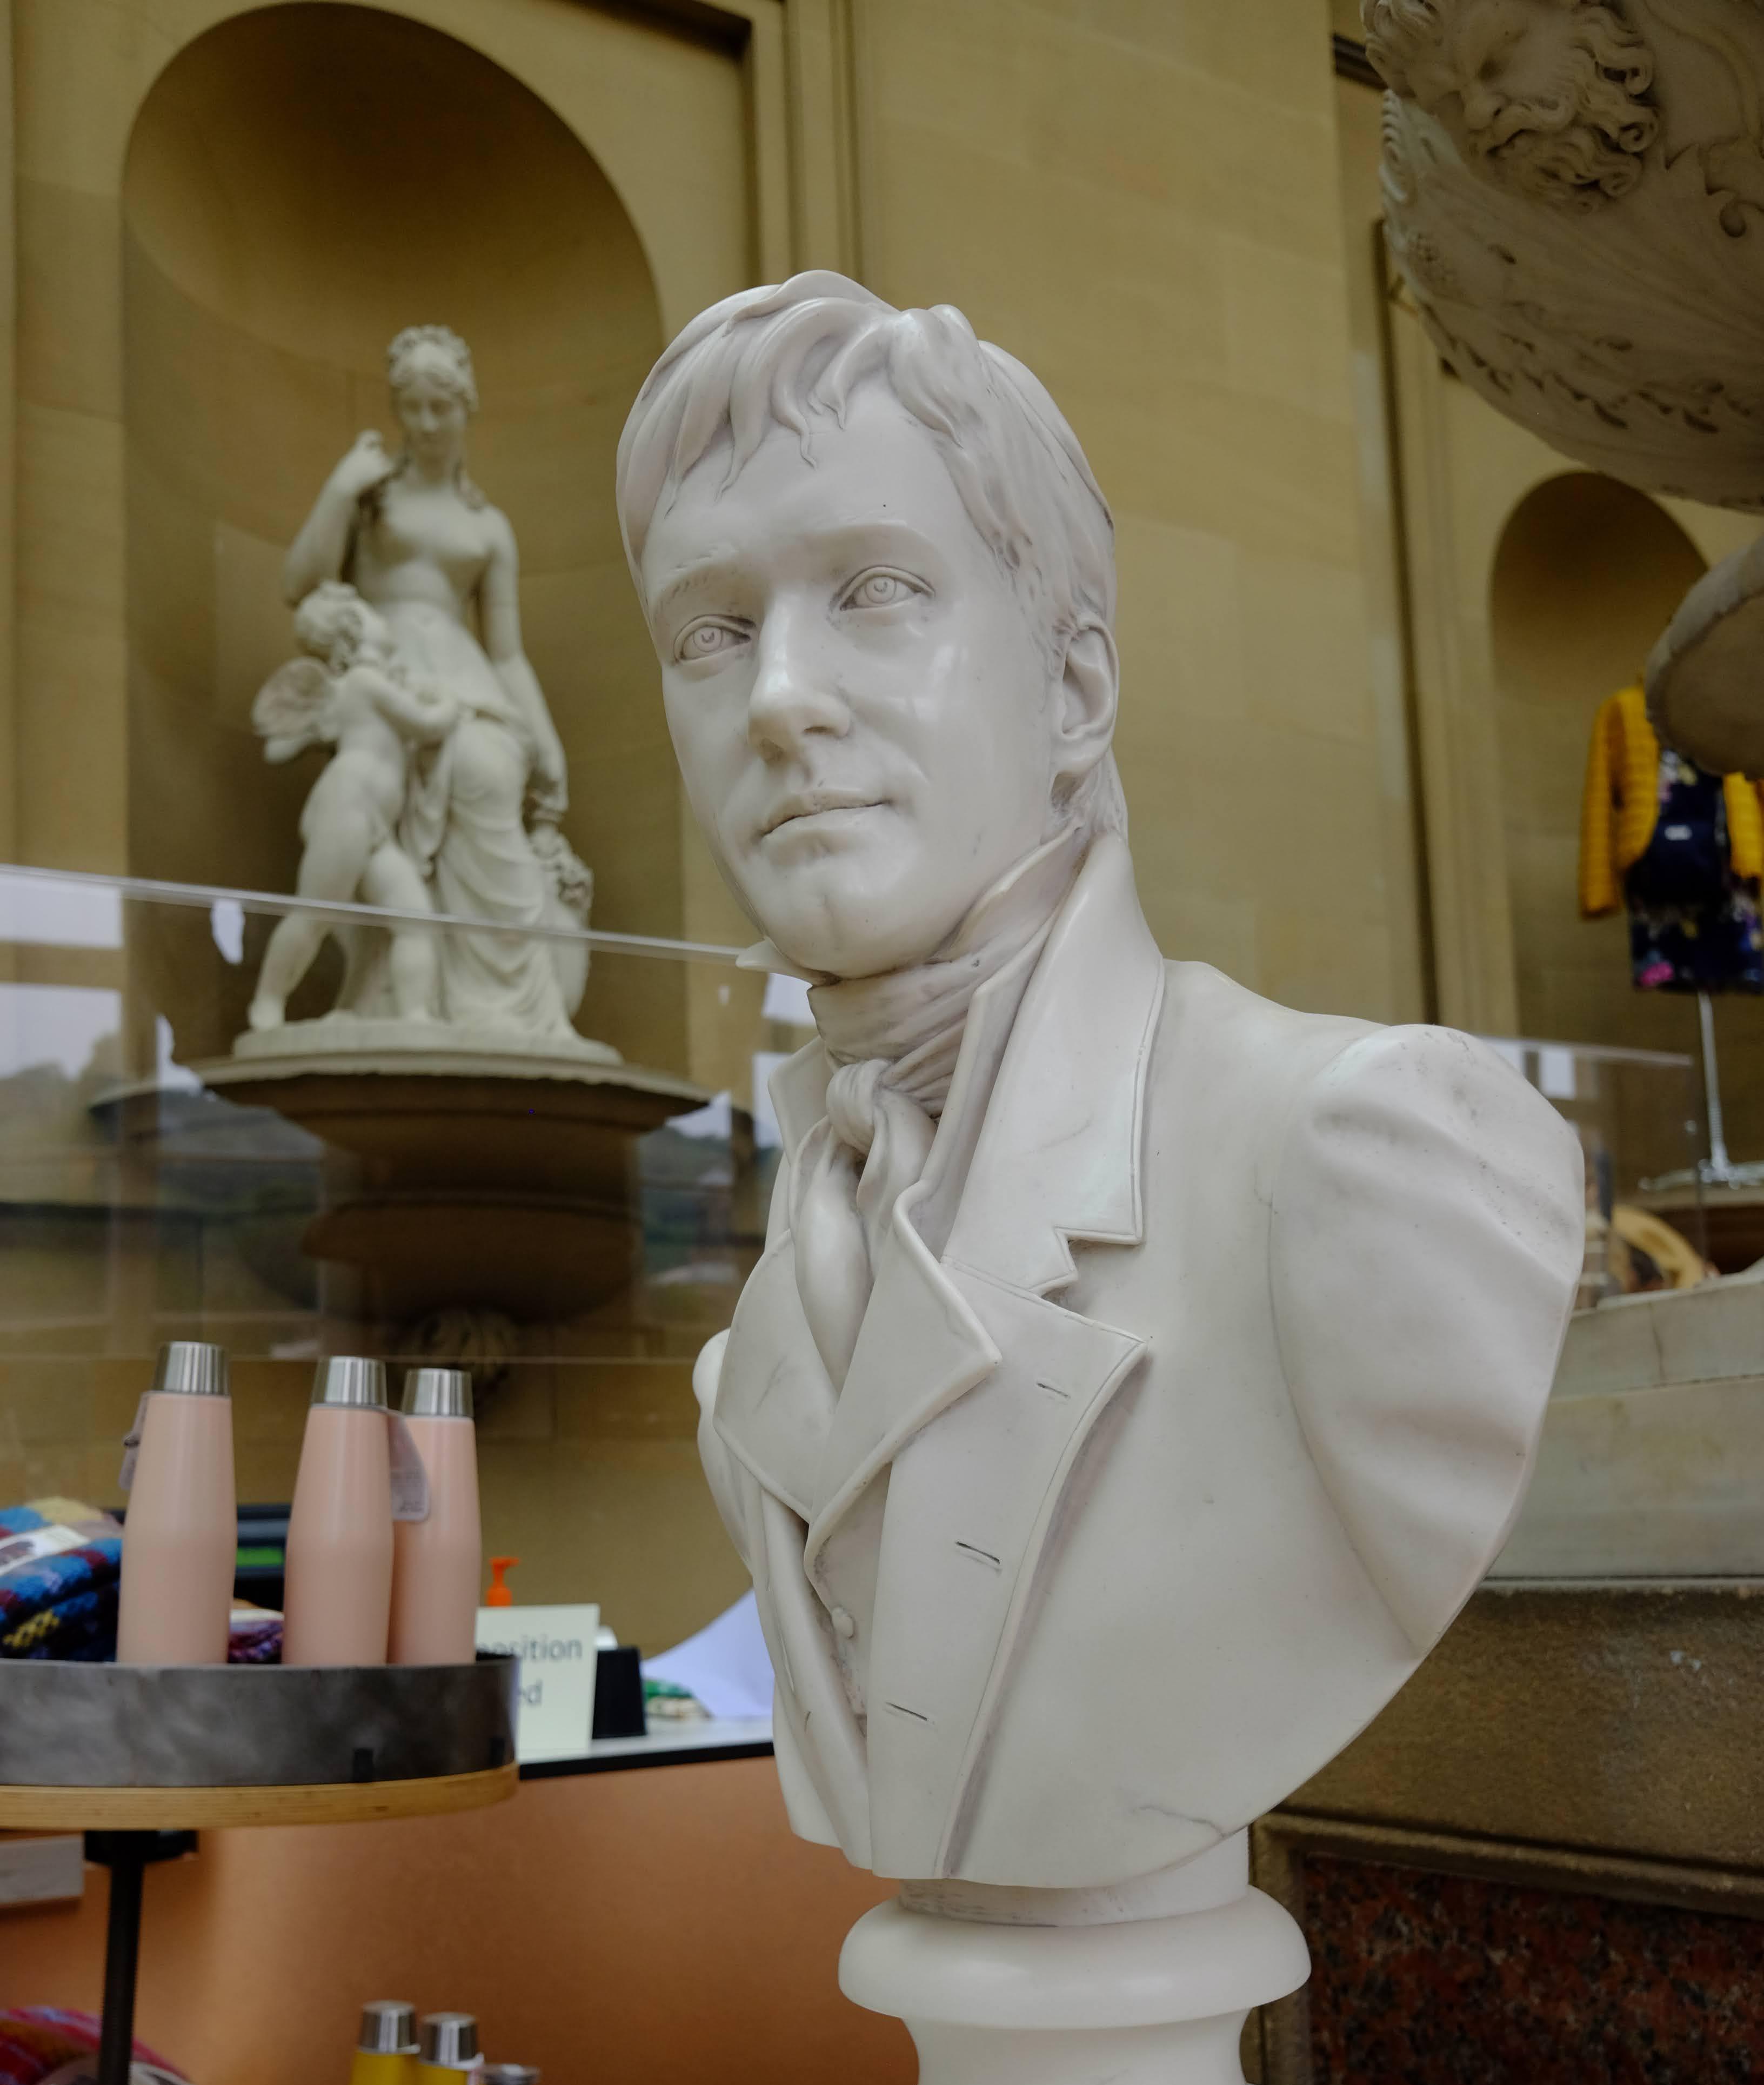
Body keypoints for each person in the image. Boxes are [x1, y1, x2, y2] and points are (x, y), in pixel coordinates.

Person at [616, 273, 1584, 1892]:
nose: (776, 697)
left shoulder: (1356, 1151)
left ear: (1073, 692)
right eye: (710, 633)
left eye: (873, 590)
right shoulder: (774, 1319)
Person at [282, 325, 590, 1040]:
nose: (424, 424)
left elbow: (507, 654)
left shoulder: (490, 527)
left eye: (440, 408)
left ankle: (508, 1007)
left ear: (465, 408)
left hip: (467, 683)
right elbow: (301, 584)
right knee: (383, 797)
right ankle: (393, 998)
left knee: (487, 771)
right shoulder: (371, 497)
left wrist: (546, 739)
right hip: (384, 673)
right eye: (412, 408)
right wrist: (339, 490)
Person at [248, 584, 454, 1031]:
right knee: (316, 914)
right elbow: (428, 725)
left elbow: (280, 750)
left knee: (415, 919)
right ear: (354, 628)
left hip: (374, 823)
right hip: (346, 807)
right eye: (372, 613)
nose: (383, 619)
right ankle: (267, 1003)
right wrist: (449, 703)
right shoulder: (363, 682)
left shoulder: (358, 688)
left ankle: (415, 1015)